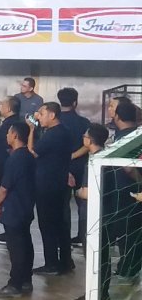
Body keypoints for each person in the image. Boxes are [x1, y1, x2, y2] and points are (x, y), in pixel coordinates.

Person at [0, 121, 38, 298]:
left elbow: (5, 187)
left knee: (16, 247)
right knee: (25, 243)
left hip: (14, 209)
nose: (6, 136)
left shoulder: (15, 159)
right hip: (26, 207)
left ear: (16, 136)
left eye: (9, 133)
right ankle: (26, 280)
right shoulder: (28, 156)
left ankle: (15, 283)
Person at [29, 102, 74, 276]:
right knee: (61, 223)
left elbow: (33, 151)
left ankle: (51, 264)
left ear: (52, 115)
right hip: (59, 182)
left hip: (47, 185)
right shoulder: (65, 132)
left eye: (41, 113)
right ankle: (65, 260)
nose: (38, 116)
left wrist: (32, 130)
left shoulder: (53, 135)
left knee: (47, 224)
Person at [72, 125, 111, 300]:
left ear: (89, 140)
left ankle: (96, 294)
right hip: (102, 213)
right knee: (102, 255)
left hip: (91, 215)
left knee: (94, 256)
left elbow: (87, 193)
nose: (83, 138)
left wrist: (76, 190)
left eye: (85, 135)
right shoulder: (106, 157)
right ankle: (102, 293)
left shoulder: (94, 161)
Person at [57, 88, 91, 247]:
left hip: (60, 169)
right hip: (80, 168)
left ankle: (63, 237)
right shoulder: (84, 123)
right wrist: (74, 155)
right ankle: (82, 236)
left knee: (62, 205)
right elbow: (88, 145)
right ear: (75, 103)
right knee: (83, 205)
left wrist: (65, 157)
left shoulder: (55, 123)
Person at [0, 96, 22, 244]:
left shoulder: (13, 124)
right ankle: (6, 230)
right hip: (1, 166)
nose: (0, 108)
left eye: (2, 105)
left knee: (6, 197)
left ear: (9, 108)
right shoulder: (7, 123)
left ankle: (10, 230)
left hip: (6, 168)